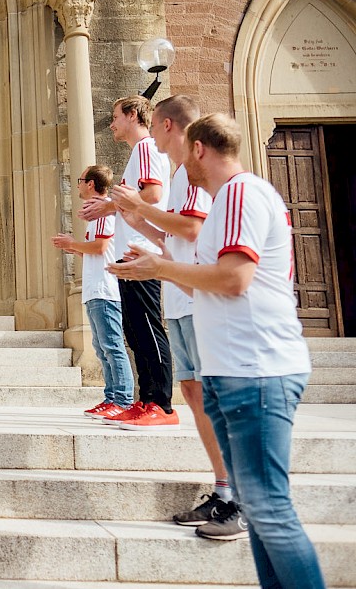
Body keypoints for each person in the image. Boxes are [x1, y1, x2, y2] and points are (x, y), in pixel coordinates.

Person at [108, 113, 325, 589]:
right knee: (260, 511)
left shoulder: (242, 193)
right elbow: (209, 267)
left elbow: (233, 278)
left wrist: (159, 270)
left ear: (200, 149)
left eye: (182, 152)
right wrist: (157, 256)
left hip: (258, 371)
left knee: (270, 508)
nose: (177, 163)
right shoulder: (228, 198)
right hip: (234, 371)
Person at [111, 96, 240, 538]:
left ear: (167, 126)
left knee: (213, 393)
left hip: (197, 294)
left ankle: (236, 495)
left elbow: (193, 228)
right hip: (180, 293)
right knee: (192, 390)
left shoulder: (191, 173)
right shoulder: (184, 172)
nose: (161, 151)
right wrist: (141, 234)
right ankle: (222, 490)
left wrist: (141, 209)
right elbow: (172, 234)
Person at [81, 96, 177, 429]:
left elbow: (151, 194)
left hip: (141, 251)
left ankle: (162, 404)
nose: (111, 124)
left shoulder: (146, 148)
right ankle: (145, 398)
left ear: (133, 115)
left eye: (115, 117)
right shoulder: (139, 152)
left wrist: (108, 207)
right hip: (129, 253)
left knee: (148, 328)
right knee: (134, 331)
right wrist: (109, 207)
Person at [51, 164, 134, 421]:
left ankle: (122, 400)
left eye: (80, 180)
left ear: (90, 184)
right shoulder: (97, 212)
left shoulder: (102, 212)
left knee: (112, 345)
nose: (77, 185)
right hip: (96, 287)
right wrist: (75, 248)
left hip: (105, 288)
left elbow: (100, 247)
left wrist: (72, 244)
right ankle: (111, 397)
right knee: (101, 346)